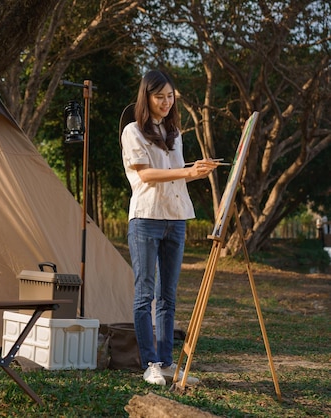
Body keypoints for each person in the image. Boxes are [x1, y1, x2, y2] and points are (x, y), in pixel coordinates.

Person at [120, 70, 219, 386]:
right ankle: (149, 363)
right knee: (144, 293)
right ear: (146, 97)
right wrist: (188, 173)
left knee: (168, 297)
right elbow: (147, 175)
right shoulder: (133, 131)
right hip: (146, 218)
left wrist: (196, 169)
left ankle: (165, 363)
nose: (165, 102)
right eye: (159, 96)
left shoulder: (175, 133)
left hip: (176, 219)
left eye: (169, 96)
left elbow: (175, 172)